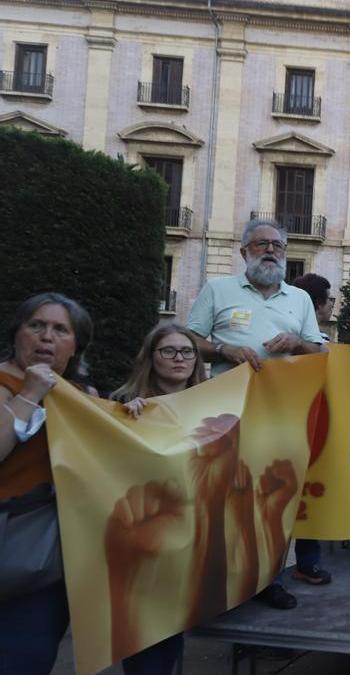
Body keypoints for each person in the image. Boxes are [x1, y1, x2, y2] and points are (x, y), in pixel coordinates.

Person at [186, 217, 326, 609]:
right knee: (224, 495)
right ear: (244, 251)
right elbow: (189, 340)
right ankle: (221, 581)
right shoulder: (218, 289)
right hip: (224, 412)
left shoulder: (298, 299)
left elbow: (319, 353)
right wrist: (223, 349)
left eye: (277, 245)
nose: (270, 250)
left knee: (272, 497)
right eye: (262, 244)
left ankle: (269, 579)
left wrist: (297, 343)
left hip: (279, 412)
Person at [0, 293, 93, 674]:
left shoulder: (81, 396)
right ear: (17, 334)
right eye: (36, 325)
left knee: (28, 659)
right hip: (8, 531)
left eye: (60, 329)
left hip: (47, 556)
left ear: (76, 345)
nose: (46, 337)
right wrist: (30, 395)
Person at [108, 323, 207, 675]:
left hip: (191, 541)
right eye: (169, 351)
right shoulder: (123, 404)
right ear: (151, 357)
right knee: (146, 641)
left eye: (187, 351)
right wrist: (125, 421)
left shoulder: (212, 405)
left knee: (170, 637)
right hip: (143, 543)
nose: (179, 358)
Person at [282, 272, 337, 587]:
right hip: (292, 421)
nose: (332, 306)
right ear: (316, 304)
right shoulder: (289, 336)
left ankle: (307, 562)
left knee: (309, 493)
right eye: (330, 300)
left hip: (316, 423)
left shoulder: (321, 341)